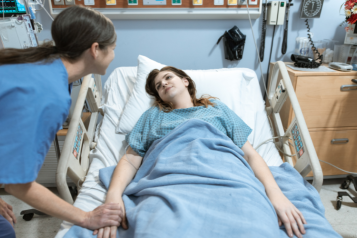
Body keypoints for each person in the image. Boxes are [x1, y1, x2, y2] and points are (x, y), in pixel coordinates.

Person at [94, 66, 307, 238]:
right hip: (171, 181)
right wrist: (113, 196)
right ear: (159, 96)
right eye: (159, 86)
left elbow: (250, 154)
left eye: (168, 77)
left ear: (185, 81)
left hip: (229, 176)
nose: (164, 83)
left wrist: (275, 194)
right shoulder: (153, 115)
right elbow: (131, 160)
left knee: (254, 225)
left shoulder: (215, 108)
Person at [0, 5, 124, 238]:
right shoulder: (48, 94)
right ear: (95, 49)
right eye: (114, 49)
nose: (115, 55)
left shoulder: (42, 65)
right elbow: (18, 185)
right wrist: (86, 216)